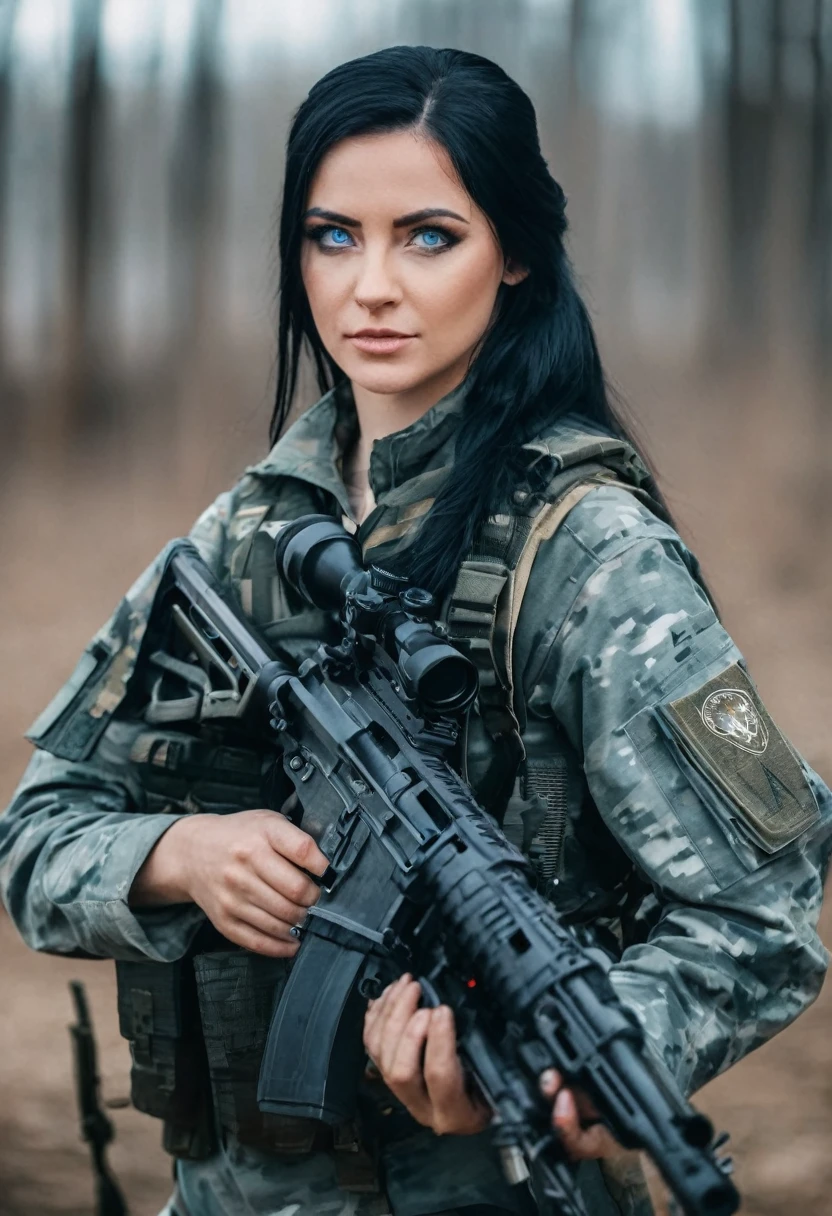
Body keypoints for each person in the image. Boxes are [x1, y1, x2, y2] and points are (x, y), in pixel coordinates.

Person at [1, 44, 830, 1216]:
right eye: (332, 235)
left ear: (518, 255)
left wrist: (571, 1071)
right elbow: (36, 837)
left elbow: (764, 916)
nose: (369, 286)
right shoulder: (245, 535)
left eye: (428, 236)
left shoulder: (589, 557)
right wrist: (181, 856)